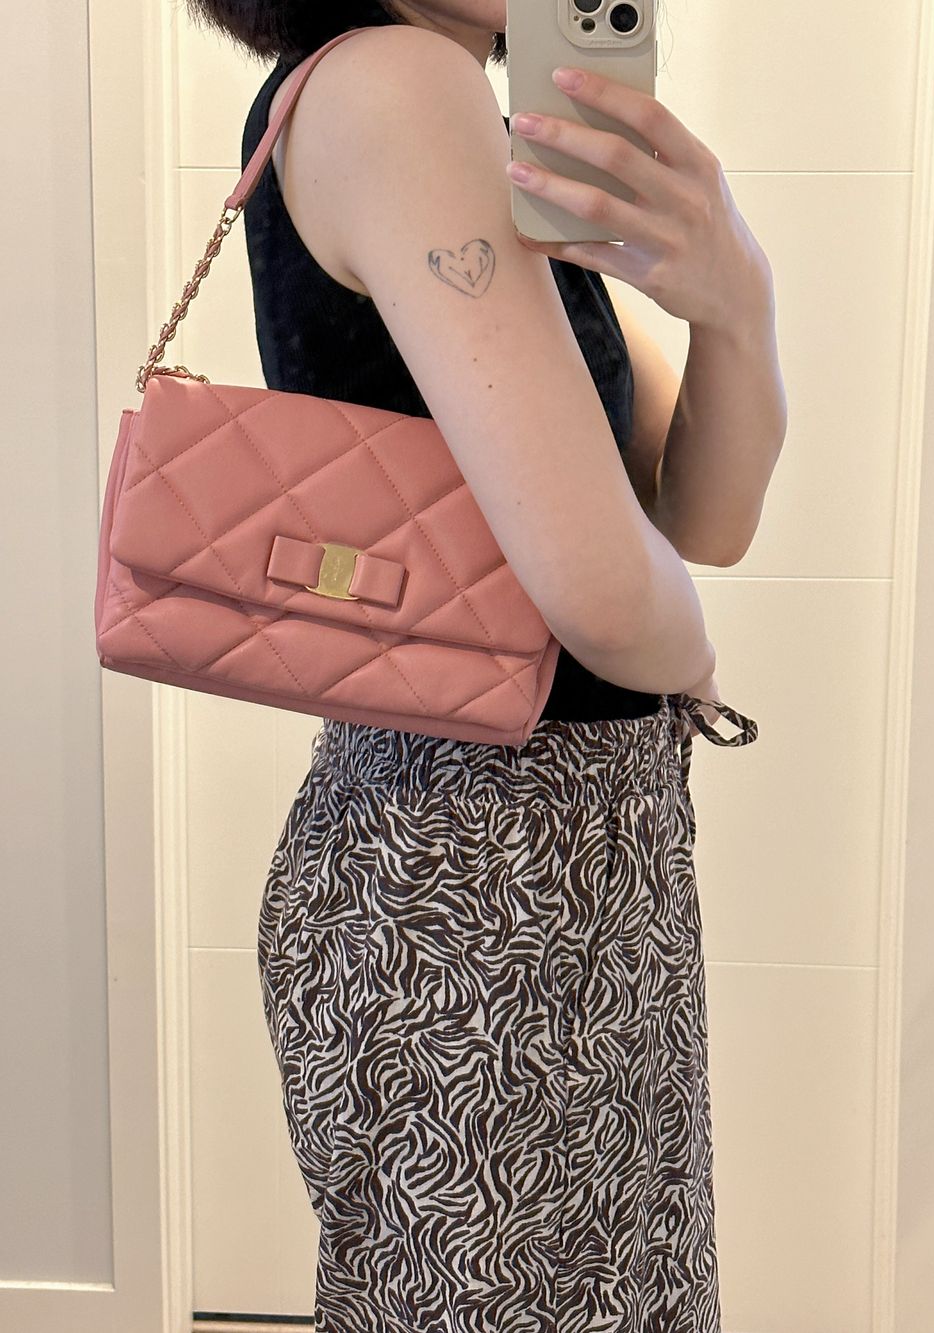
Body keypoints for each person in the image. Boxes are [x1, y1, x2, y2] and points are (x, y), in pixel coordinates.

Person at [187, 1, 779, 1329]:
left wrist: (736, 300)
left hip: (529, 864)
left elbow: (704, 517)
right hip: (478, 881)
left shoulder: (468, 120)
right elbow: (607, 592)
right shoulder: (398, 85)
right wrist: (688, 658)